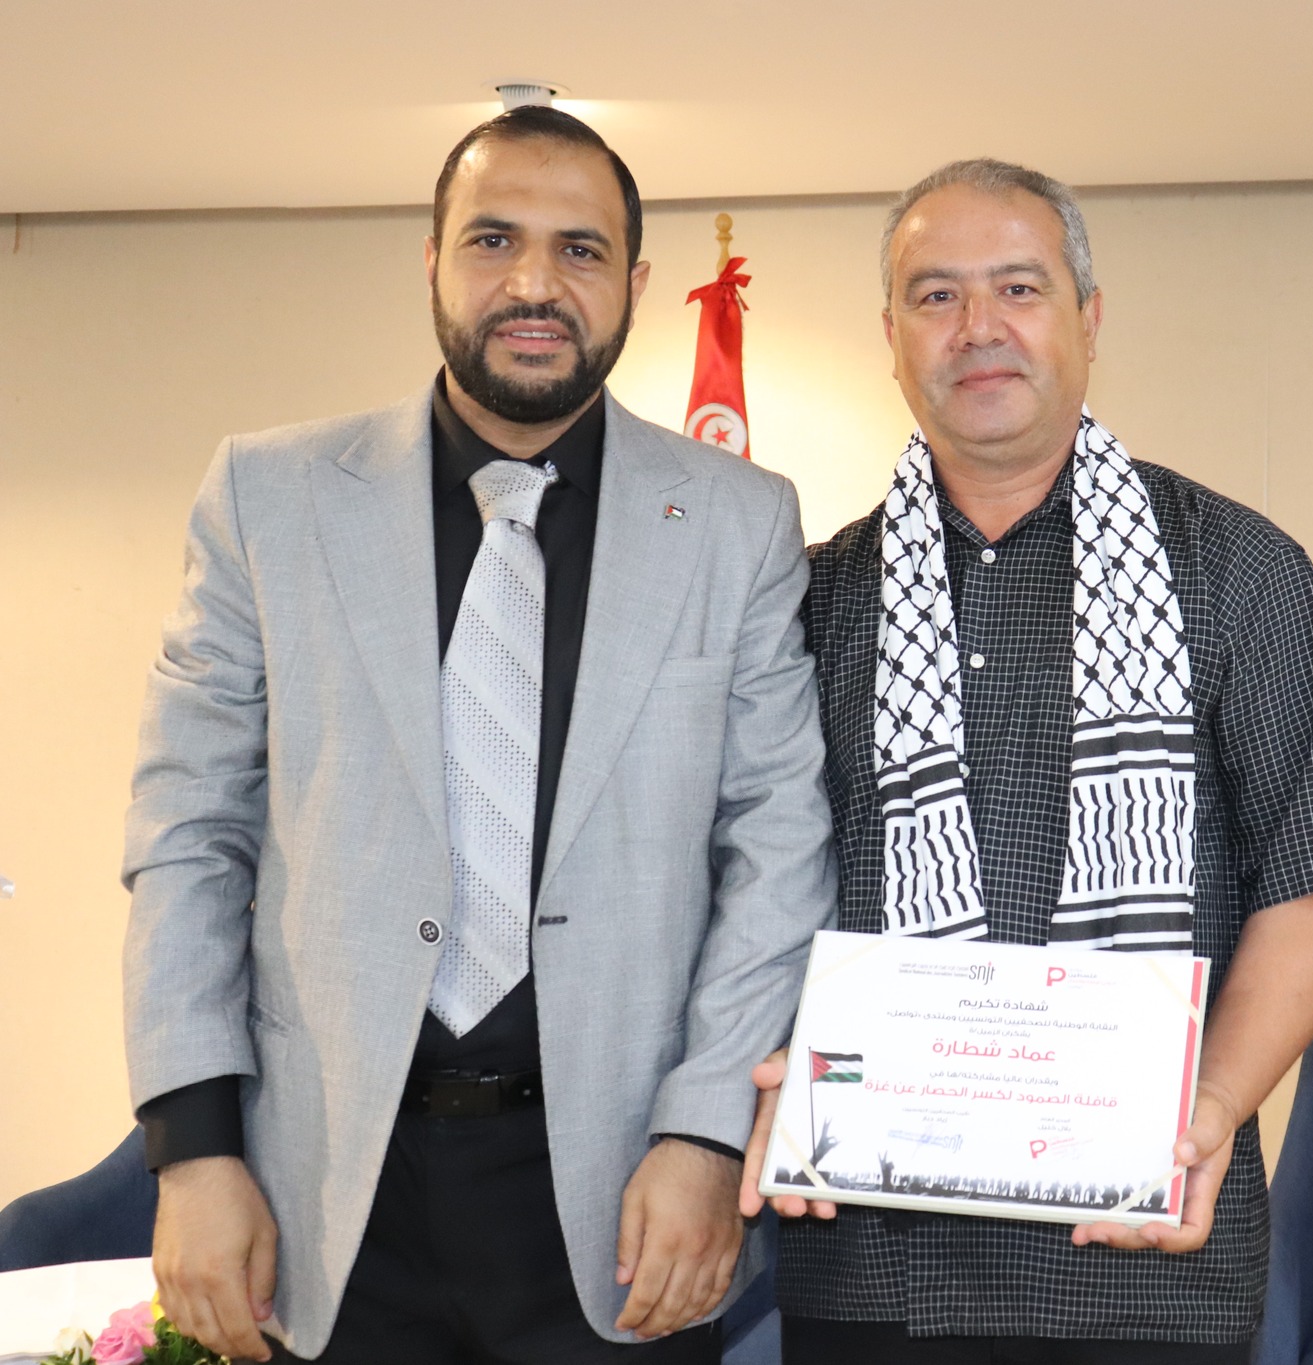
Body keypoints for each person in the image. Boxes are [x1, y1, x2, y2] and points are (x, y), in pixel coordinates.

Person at [121, 106, 836, 1363]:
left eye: (579, 249)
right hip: (326, 1200)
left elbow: (777, 846)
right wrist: (193, 1150)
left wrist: (705, 1130)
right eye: (493, 239)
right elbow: (189, 834)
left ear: (633, 284)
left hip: (624, 1201)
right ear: (432, 261)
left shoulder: (737, 522)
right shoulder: (268, 497)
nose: (533, 284)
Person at [736, 158, 1313, 1364]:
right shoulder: (814, 594)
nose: (977, 327)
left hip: (1150, 1251)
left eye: (1018, 288)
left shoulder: (1237, 570)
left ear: (1088, 319)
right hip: (874, 1257)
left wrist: (1210, 1107)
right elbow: (756, 881)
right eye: (935, 296)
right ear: (891, 338)